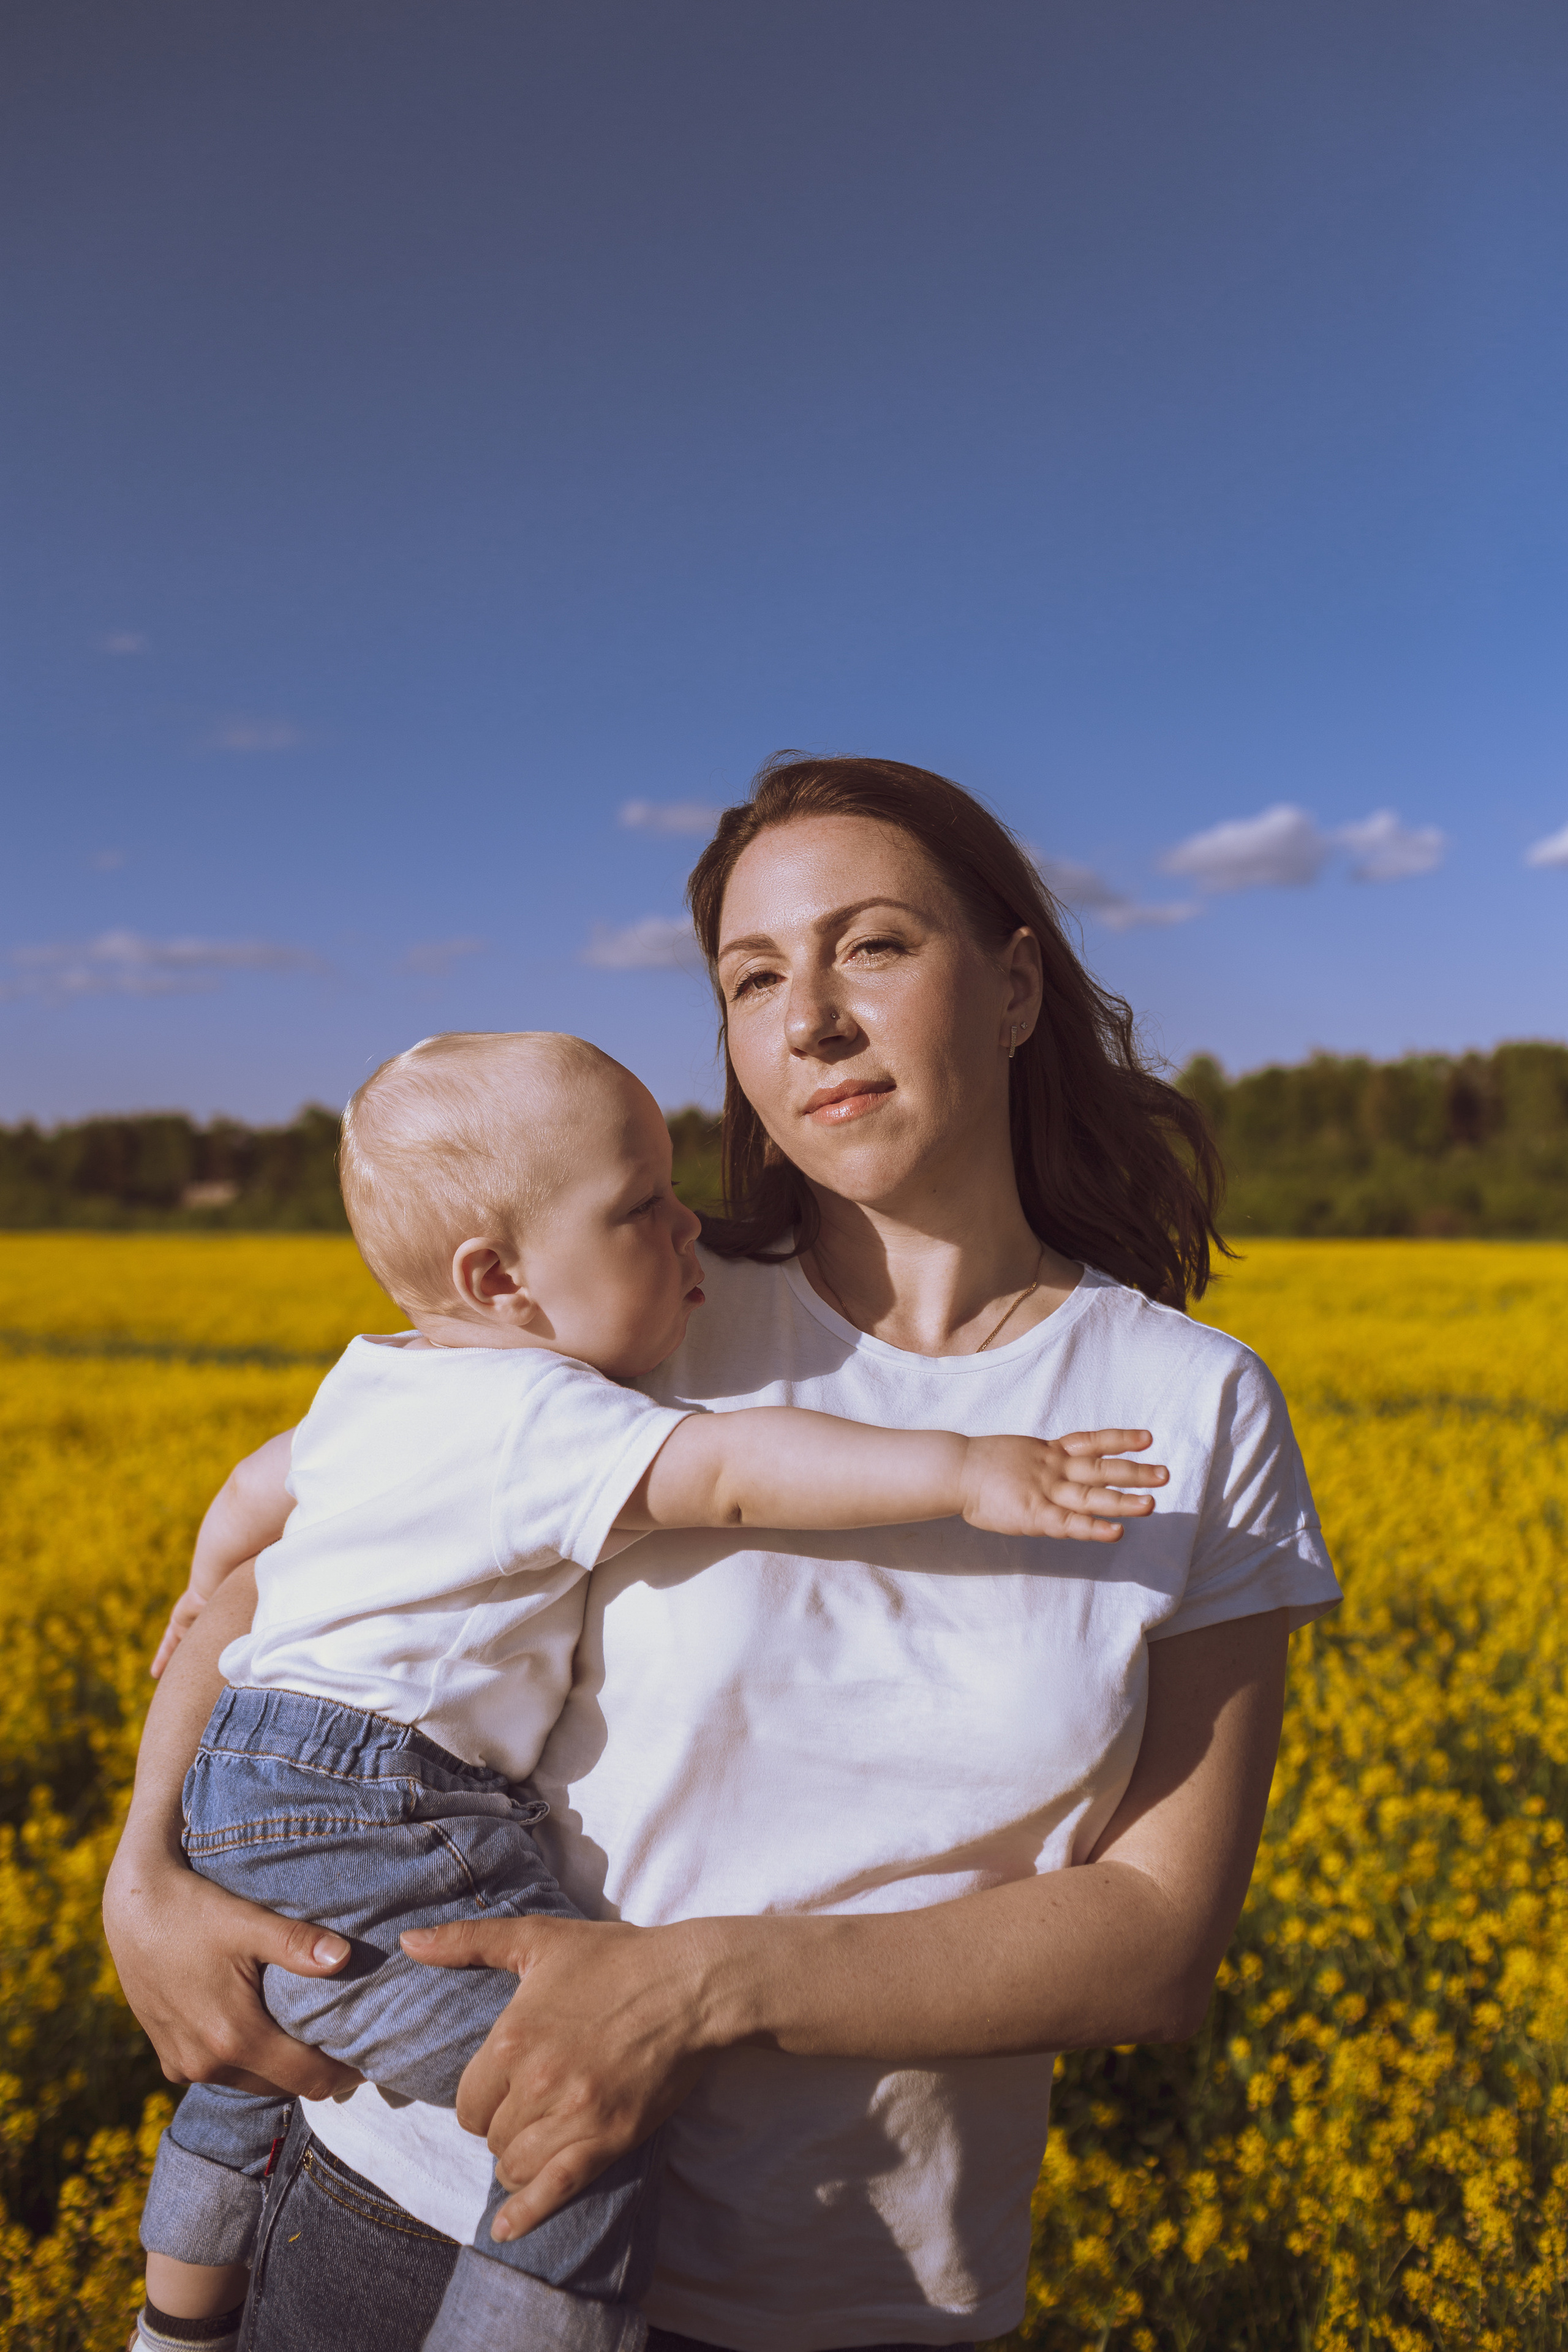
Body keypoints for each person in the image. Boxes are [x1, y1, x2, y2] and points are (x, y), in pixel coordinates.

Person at [105, 755, 1340, 2352]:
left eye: (874, 946)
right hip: (411, 2200)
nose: (812, 1016)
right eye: (755, 979)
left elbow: (1159, 1942)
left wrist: (695, 1987)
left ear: (1018, 982)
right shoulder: (630, 1311)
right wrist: (143, 1876)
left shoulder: (1192, 1406)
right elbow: (298, 1580)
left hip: (849, 2298)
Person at [133, 1027, 1162, 2352]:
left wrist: (198, 1591)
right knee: (566, 2126)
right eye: (640, 1211)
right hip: (380, 1801)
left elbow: (250, 1503)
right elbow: (733, 1469)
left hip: (248, 1773)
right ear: (499, 1279)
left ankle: (176, 2324)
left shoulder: (372, 1378)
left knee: (271, 2045)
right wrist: (961, 1469)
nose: (688, 1231)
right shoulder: (543, 1415)